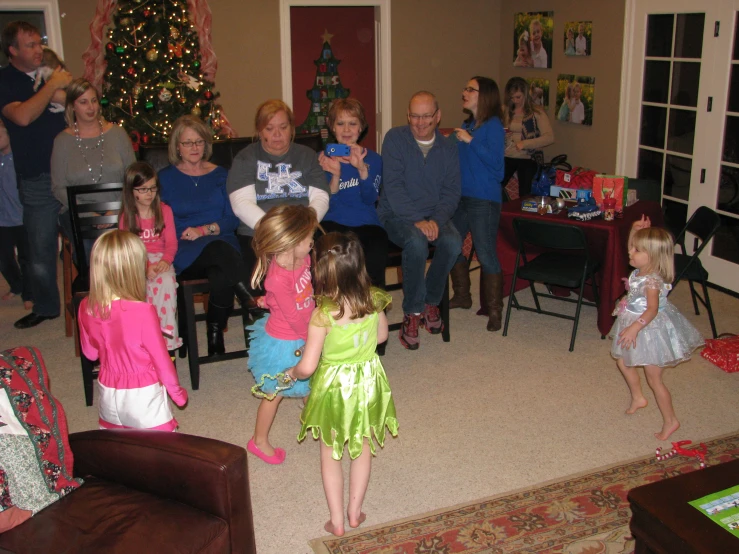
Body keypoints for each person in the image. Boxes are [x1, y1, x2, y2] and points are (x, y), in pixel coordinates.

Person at [285, 232, 398, 537]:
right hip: (367, 382)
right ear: (360, 266)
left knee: (330, 451)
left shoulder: (323, 314)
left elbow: (308, 367)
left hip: (335, 388)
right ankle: (355, 512)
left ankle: (336, 520)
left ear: (320, 271)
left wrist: (292, 372)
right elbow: (382, 338)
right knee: (361, 448)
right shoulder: (374, 299)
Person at [160, 115, 253, 357]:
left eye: (199, 142)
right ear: (177, 147)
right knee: (222, 253)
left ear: (206, 144)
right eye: (187, 143)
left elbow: (232, 218)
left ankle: (214, 331)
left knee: (221, 273)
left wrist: (205, 229)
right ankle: (249, 299)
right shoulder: (165, 178)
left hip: (220, 238)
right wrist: (188, 234)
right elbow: (161, 219)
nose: (194, 148)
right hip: (185, 247)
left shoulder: (221, 174)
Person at [0, 21, 72, 329]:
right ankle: (46, 307)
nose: (38, 49)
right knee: (40, 249)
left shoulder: (59, 76)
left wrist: (57, 90)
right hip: (35, 177)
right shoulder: (6, 80)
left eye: (39, 43)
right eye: (29, 44)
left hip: (71, 173)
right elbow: (23, 116)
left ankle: (96, 298)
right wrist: (52, 85)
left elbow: (79, 105)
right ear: (13, 50)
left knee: (89, 241)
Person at [78, 229, 188, 431]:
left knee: (120, 450)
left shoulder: (86, 305)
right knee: (161, 454)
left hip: (108, 391)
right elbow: (162, 361)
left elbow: (90, 353)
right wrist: (178, 393)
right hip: (142, 395)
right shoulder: (143, 311)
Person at [377, 91, 461, 350]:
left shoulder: (448, 147)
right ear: (408, 116)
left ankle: (430, 302)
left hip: (434, 214)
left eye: (426, 116)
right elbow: (393, 188)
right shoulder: (395, 139)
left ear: (438, 116)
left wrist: (435, 219)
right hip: (397, 215)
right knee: (416, 243)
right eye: (415, 116)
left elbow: (451, 191)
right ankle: (412, 314)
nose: (420, 122)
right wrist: (417, 220)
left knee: (453, 243)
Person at [611, 216, 704, 441]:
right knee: (623, 360)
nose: (630, 252)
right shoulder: (640, 268)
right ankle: (637, 397)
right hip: (633, 321)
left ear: (651, 256)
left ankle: (671, 420)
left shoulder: (651, 280)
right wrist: (634, 230)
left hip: (650, 329)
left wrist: (635, 327)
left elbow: (652, 310)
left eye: (636, 250)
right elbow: (635, 251)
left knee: (654, 379)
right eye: (632, 247)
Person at [227, 99, 330, 296]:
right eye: (269, 128)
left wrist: (300, 229)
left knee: (324, 272)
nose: (277, 134)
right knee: (261, 283)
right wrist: (279, 234)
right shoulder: (245, 158)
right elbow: (241, 204)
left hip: (303, 230)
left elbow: (321, 197)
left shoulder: (307, 155)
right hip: (258, 232)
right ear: (259, 131)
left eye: (283, 127)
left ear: (291, 128)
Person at [246, 205, 318, 465]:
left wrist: (271, 301)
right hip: (284, 341)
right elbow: (294, 318)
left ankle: (316, 420)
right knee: (273, 394)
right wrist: (316, 338)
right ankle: (259, 440)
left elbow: (302, 296)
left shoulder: (304, 258)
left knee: (313, 383)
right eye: (309, 237)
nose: (312, 242)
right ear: (294, 240)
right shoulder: (277, 278)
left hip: (304, 329)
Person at [52, 78, 136, 263]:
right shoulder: (62, 141)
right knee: (95, 253)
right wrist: (91, 214)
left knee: (123, 253)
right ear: (72, 107)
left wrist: (113, 212)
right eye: (83, 102)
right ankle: (96, 290)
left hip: (119, 208)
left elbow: (132, 177)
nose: (90, 107)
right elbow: (58, 187)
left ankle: (124, 290)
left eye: (94, 101)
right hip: (79, 212)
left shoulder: (118, 134)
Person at [450, 77, 506, 332]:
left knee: (485, 253)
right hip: (461, 197)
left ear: (484, 96)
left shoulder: (493, 126)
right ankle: (462, 295)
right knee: (449, 244)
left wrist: (470, 141)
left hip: (484, 199)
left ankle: (495, 311)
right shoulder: (467, 125)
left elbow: (498, 168)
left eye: (470, 89)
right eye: (465, 87)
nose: (464, 92)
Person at [318, 98, 387, 289]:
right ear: (332, 127)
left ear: (361, 127)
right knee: (327, 254)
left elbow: (370, 199)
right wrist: (336, 175)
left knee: (377, 248)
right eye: (340, 123)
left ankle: (374, 309)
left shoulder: (373, 159)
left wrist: (362, 169)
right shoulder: (322, 159)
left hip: (366, 222)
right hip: (333, 221)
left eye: (352, 123)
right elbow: (324, 204)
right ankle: (330, 309)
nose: (346, 130)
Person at [119, 162, 181, 355]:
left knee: (167, 282)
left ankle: (166, 341)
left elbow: (171, 243)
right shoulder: (126, 216)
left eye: (153, 188)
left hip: (162, 258)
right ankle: (143, 342)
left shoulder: (165, 211)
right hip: (136, 260)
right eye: (143, 189)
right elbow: (126, 249)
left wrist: (165, 261)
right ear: (131, 191)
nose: (149, 193)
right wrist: (145, 267)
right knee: (138, 289)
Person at [501, 77, 554, 197]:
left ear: (525, 94)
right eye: (512, 97)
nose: (515, 100)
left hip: (528, 157)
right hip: (507, 155)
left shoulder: (536, 112)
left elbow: (549, 137)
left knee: (525, 193)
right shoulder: (505, 110)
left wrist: (525, 143)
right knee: (495, 186)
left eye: (518, 97)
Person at [0, 120, 31, 309]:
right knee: (4, 258)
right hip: (2, 220)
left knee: (26, 259)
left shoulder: (19, 160)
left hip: (22, 218)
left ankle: (29, 293)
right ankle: (16, 284)